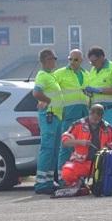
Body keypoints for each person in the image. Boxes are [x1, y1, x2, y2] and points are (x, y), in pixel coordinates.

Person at [60, 104, 112, 190]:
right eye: (93, 115)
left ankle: (101, 183)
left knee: (111, 176)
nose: (95, 118)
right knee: (67, 172)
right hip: (81, 163)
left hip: (101, 164)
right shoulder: (77, 125)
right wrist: (80, 142)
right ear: (89, 113)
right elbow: (65, 142)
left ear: (102, 116)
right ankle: (77, 183)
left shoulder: (108, 128)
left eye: (98, 116)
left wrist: (109, 147)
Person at [32, 48, 64, 194]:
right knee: (47, 149)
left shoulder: (51, 76)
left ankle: (49, 180)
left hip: (56, 116)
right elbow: (36, 92)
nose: (55, 61)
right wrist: (48, 100)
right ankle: (41, 183)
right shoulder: (43, 75)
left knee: (54, 150)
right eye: (53, 58)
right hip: (49, 116)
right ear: (45, 60)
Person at [54, 49, 89, 177]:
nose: (72, 62)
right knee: (66, 145)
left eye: (75, 60)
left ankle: (77, 176)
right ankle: (62, 177)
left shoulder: (87, 74)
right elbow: (50, 89)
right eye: (70, 59)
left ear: (81, 61)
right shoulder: (60, 73)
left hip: (84, 113)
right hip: (68, 112)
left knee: (81, 147)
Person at [85, 46, 112, 137]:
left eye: (94, 61)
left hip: (110, 109)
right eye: (91, 62)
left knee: (111, 133)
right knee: (96, 135)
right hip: (95, 110)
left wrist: (99, 90)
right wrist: (89, 92)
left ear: (102, 57)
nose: (92, 64)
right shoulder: (93, 70)